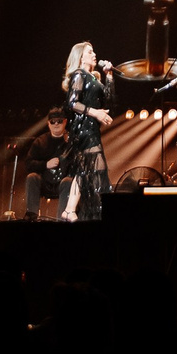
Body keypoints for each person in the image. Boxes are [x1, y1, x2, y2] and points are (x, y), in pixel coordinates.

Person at [57, 40, 115, 221]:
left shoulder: (94, 77)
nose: (94, 54)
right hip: (83, 130)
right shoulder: (79, 75)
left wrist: (110, 76)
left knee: (85, 170)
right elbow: (72, 103)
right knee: (97, 168)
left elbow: (109, 99)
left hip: (91, 129)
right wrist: (95, 113)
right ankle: (98, 210)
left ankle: (70, 210)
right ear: (81, 58)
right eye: (90, 52)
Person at [18, 109, 69, 218]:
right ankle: (32, 216)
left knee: (69, 182)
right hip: (45, 182)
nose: (56, 124)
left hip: (63, 183)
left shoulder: (72, 141)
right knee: (32, 177)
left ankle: (62, 220)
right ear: (48, 123)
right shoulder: (40, 141)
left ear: (65, 122)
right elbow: (28, 164)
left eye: (59, 121)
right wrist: (45, 164)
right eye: (53, 121)